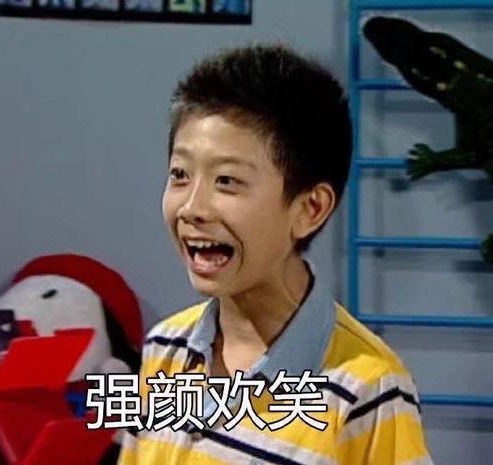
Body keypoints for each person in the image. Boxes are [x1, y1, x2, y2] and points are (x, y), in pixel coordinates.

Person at [117, 44, 433, 465]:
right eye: (180, 175)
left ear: (310, 209)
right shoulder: (163, 349)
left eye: (227, 180)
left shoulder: (369, 388)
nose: (192, 208)